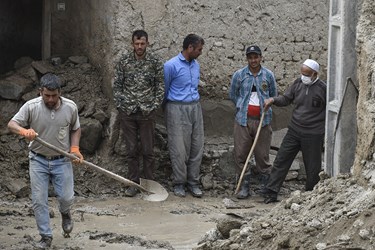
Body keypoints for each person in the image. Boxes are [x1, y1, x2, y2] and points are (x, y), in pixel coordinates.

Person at [7, 73, 83, 249]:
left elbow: (76, 129)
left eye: (54, 95)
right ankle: (45, 237)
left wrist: (75, 148)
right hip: (38, 160)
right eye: (46, 95)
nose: (50, 99)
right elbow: (11, 124)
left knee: (65, 197)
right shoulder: (31, 107)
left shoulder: (70, 107)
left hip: (62, 159)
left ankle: (65, 212)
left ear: (59, 93)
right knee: (39, 200)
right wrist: (24, 131)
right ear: (40, 91)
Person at [262, 59, 326, 204]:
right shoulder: (298, 83)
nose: (304, 77)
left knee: (313, 166)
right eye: (302, 73)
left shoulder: (323, 88)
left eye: (307, 74)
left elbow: (329, 111)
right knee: (281, 160)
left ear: (315, 74)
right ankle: (271, 192)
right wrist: (273, 100)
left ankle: (311, 195)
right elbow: (286, 99)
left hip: (313, 134)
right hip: (294, 130)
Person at [113, 29, 164, 197]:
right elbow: (117, 85)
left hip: (147, 112)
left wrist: (154, 105)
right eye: (137, 44)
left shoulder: (155, 62)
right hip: (128, 112)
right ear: (132, 44)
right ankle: (133, 184)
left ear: (147, 43)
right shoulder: (124, 61)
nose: (140, 47)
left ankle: (149, 184)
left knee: (148, 150)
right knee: (131, 150)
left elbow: (160, 86)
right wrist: (121, 105)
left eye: (143, 43)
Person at [229, 45, 278, 199]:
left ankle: (266, 187)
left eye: (256, 57)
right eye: (250, 57)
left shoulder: (268, 75)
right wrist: (241, 107)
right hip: (243, 121)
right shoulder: (240, 75)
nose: (253, 60)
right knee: (241, 154)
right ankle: (244, 186)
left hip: (263, 121)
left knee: (262, 156)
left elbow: (273, 94)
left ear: (260, 57)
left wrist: (266, 105)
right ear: (247, 59)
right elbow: (233, 94)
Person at [163, 34, 205, 198]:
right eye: (199, 49)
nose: (200, 52)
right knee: (179, 148)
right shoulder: (170, 66)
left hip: (195, 107)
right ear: (190, 48)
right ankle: (179, 183)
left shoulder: (196, 65)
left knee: (197, 146)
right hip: (176, 108)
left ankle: (193, 183)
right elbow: (165, 89)